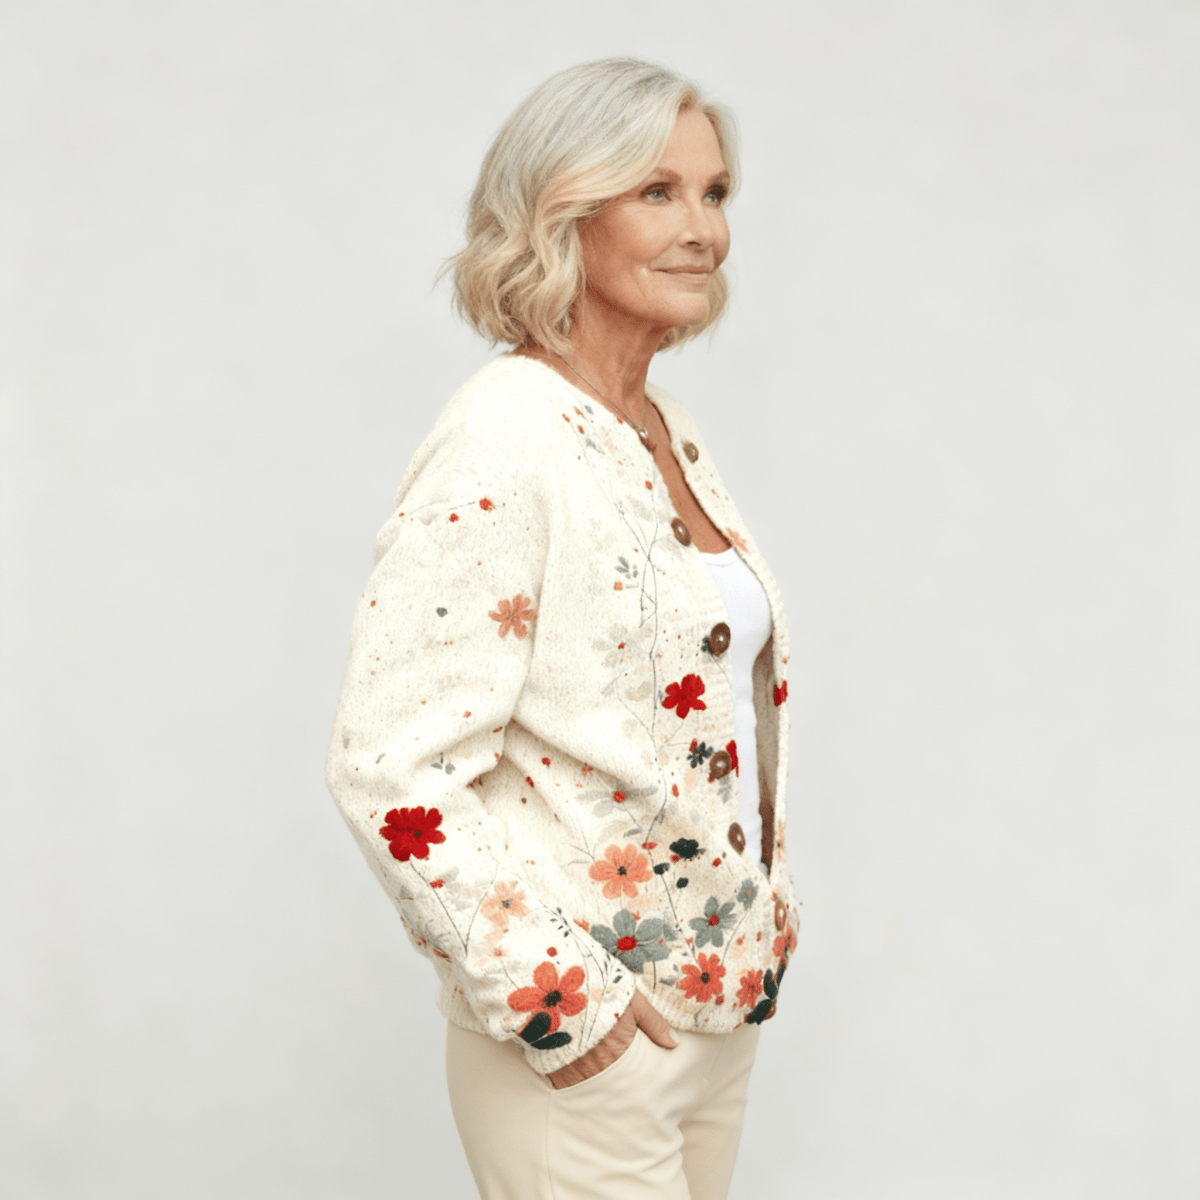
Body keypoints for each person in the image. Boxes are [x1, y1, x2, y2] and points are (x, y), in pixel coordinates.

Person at [325, 58, 798, 1200]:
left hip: (712, 1016)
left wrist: (761, 925)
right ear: (561, 215)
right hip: (589, 1040)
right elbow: (389, 764)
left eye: (715, 194)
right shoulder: (506, 439)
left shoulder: (660, 425)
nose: (703, 230)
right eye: (657, 192)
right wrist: (559, 1000)